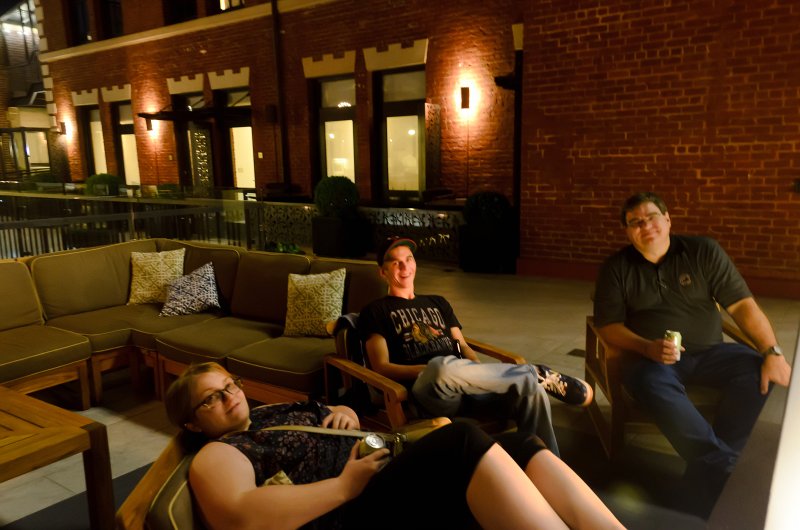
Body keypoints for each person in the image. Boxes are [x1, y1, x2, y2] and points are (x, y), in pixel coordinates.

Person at [166, 362, 625, 530]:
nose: (231, 396)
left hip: (371, 476)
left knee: (519, 442)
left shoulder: (266, 415)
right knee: (461, 439)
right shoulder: (216, 454)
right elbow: (241, 515)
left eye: (230, 384)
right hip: (347, 511)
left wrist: (338, 415)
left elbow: (319, 422)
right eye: (213, 397)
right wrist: (343, 488)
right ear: (192, 420)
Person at [592, 191, 792, 513]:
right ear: (628, 231)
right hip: (653, 360)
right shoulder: (616, 268)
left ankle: (716, 464)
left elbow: (742, 306)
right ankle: (729, 466)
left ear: (668, 219)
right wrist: (646, 347)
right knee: (651, 384)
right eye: (635, 222)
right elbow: (607, 325)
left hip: (713, 352)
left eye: (652, 216)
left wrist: (772, 351)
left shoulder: (702, 251)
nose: (646, 226)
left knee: (759, 372)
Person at [358, 236, 593, 456]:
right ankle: (535, 372)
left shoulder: (437, 302)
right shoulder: (375, 311)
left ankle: (546, 462)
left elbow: (460, 345)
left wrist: (477, 371)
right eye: (396, 263)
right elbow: (381, 366)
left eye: (408, 259)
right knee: (441, 367)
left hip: (466, 382)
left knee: (533, 390)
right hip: (429, 392)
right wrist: (426, 370)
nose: (404, 267)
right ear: (383, 272)